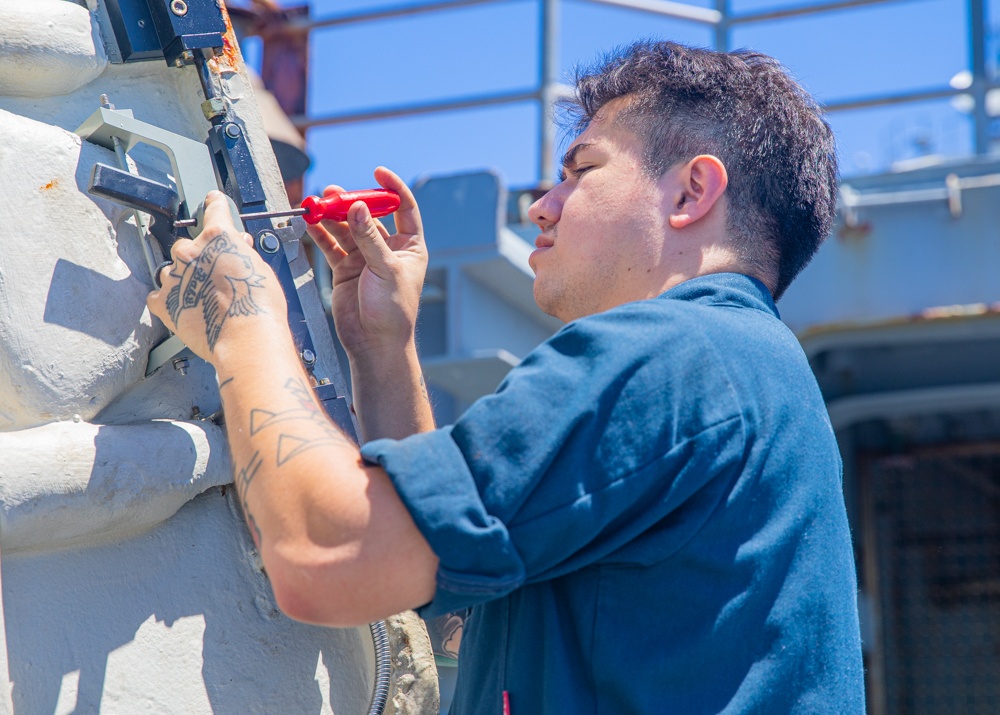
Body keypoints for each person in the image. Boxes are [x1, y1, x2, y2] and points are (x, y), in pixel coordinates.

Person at [148, 40, 865, 713]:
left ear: (691, 193)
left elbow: (326, 559)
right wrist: (381, 347)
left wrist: (242, 317)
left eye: (580, 171)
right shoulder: (741, 365)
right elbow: (446, 570)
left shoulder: (669, 350)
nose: (540, 206)